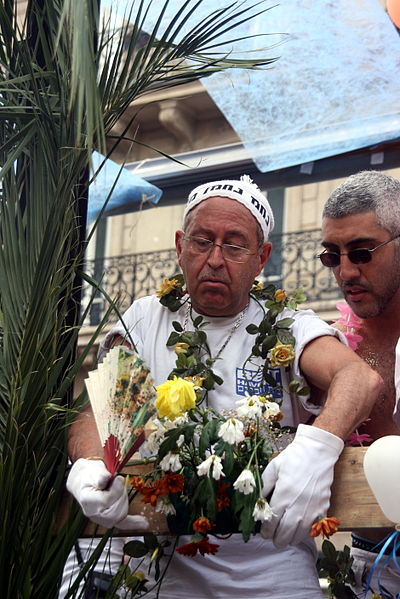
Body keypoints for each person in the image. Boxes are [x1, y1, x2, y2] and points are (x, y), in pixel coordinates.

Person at [66, 174, 382, 599]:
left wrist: (318, 446)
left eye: (234, 245)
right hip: (164, 567)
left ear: (261, 257)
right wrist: (90, 462)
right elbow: (100, 412)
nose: (215, 258)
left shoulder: (288, 323)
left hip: (273, 568)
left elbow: (359, 378)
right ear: (180, 246)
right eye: (201, 241)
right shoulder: (144, 319)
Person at [320, 169, 400, 597]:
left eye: (362, 252)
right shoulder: (332, 353)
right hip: (369, 562)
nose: (346, 271)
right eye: (332, 256)